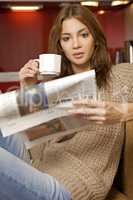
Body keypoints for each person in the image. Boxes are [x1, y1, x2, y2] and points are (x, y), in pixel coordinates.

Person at [0, 3, 133, 200]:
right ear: (60, 45)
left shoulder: (122, 75)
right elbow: (37, 149)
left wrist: (123, 111)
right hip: (38, 167)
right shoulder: (55, 87)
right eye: (67, 38)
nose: (76, 44)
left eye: (84, 35)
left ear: (95, 38)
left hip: (71, 185)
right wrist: (27, 88)